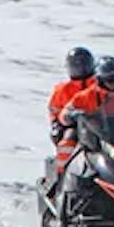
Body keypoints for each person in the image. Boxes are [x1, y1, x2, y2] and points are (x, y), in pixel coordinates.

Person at [43, 46, 102, 197]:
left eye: (83, 64)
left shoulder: (99, 86)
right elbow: (54, 110)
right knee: (66, 144)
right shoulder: (62, 89)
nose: (80, 68)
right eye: (76, 65)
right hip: (73, 126)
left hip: (100, 126)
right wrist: (58, 123)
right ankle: (61, 179)